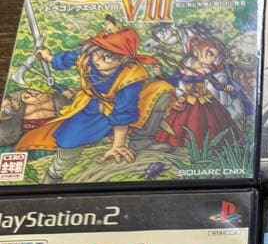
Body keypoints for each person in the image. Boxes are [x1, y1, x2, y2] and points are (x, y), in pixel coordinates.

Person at [17, 27, 171, 179]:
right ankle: (54, 174)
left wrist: (118, 146)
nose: (97, 60)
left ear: (124, 59)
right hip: (91, 106)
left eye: (107, 58)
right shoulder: (89, 55)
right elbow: (67, 59)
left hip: (125, 107)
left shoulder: (131, 76)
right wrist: (48, 57)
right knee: (68, 140)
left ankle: (141, 141)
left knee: (162, 89)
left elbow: (123, 110)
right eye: (97, 53)